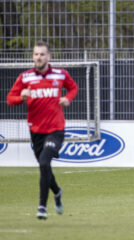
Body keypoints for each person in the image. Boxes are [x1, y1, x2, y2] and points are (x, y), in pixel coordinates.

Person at [7, 41, 78, 220]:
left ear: (49, 57)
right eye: (36, 54)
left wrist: (68, 98)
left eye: (42, 54)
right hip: (36, 129)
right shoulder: (25, 77)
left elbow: (73, 87)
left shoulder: (60, 74)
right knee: (44, 166)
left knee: (45, 162)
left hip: (56, 128)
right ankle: (57, 191)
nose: (39, 57)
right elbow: (10, 99)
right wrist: (20, 96)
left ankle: (42, 207)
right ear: (33, 57)